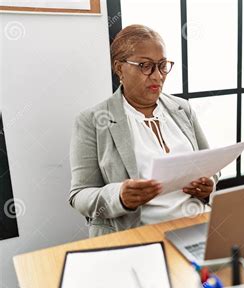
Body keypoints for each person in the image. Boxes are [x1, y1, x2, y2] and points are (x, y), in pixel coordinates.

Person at [69, 24, 218, 237]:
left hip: (197, 224)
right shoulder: (92, 121)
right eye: (145, 66)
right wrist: (119, 196)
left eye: (162, 65)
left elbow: (211, 166)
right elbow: (79, 195)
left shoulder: (182, 109)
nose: (157, 76)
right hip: (138, 233)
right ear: (119, 68)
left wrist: (209, 184)